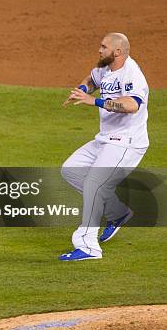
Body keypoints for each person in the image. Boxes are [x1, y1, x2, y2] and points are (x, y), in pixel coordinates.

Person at [60, 33, 149, 261]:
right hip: (105, 140)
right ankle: (116, 213)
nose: (99, 50)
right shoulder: (105, 68)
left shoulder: (132, 74)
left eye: (104, 47)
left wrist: (96, 101)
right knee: (71, 170)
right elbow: (92, 79)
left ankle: (88, 247)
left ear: (117, 51)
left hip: (127, 143)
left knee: (94, 183)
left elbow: (131, 105)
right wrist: (82, 90)